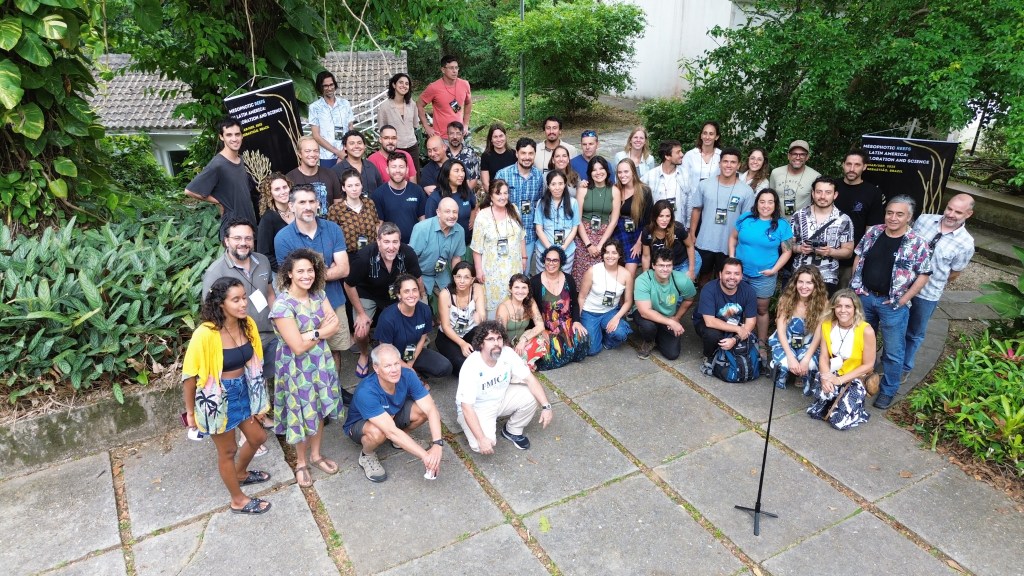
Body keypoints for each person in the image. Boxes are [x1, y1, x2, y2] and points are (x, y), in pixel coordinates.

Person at [182, 277, 271, 514]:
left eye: (244, 298)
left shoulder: (247, 324)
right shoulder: (205, 333)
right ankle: (237, 500)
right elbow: (189, 376)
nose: (244, 304)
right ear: (221, 303)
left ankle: (240, 473)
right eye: (236, 300)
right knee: (228, 451)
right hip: (217, 398)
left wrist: (258, 400)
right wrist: (190, 412)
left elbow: (256, 364)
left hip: (245, 390)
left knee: (257, 438)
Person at [203, 217, 277, 454]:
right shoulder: (216, 271)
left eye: (248, 238)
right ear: (226, 241)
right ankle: (246, 437)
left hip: (266, 332)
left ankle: (260, 417)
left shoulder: (263, 261)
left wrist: (278, 318)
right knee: (241, 386)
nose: (243, 243)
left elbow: (269, 292)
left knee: (260, 379)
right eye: (237, 238)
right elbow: (211, 311)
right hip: (238, 340)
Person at [851, 195, 932, 410]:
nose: (893, 218)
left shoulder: (917, 243)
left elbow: (924, 275)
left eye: (899, 214)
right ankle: (856, 383)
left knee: (893, 352)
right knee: (858, 345)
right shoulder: (874, 232)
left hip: (893, 305)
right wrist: (856, 286)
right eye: (890, 213)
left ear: (909, 217)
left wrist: (904, 299)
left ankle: (888, 391)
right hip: (865, 298)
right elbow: (859, 256)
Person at [270, 249, 342, 487]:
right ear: (289, 274)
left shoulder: (319, 294)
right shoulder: (282, 305)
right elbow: (298, 347)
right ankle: (301, 462)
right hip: (295, 368)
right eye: (300, 271)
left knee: (319, 408)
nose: (306, 275)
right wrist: (320, 330)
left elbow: (336, 324)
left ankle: (316, 454)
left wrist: (309, 334)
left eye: (310, 270)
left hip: (320, 363)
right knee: (300, 412)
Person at [273, 185, 351, 384]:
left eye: (311, 202)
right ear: (291, 206)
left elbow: (343, 269)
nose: (308, 207)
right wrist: (325, 269)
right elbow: (292, 278)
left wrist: (307, 275)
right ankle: (313, 394)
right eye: (302, 202)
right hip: (301, 308)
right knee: (307, 353)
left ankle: (334, 390)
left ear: (318, 204)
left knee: (335, 350)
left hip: (333, 300)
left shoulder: (332, 229)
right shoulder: (283, 238)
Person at [343, 344, 445, 483]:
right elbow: (390, 431)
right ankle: (367, 455)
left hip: (392, 415)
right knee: (378, 432)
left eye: (397, 363)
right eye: (388, 366)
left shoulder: (407, 374)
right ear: (376, 368)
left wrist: (437, 444)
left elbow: (431, 409)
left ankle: (401, 440)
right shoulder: (366, 391)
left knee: (422, 411)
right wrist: (425, 456)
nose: (394, 370)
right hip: (361, 425)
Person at [903, 194, 975, 381]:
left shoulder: (966, 243)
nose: (951, 214)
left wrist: (930, 279)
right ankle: (889, 359)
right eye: (949, 208)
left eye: (958, 212)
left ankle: (904, 366)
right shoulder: (925, 219)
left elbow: (954, 273)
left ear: (968, 214)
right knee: (895, 325)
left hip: (928, 293)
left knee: (915, 332)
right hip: (902, 285)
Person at [457, 321, 554, 453]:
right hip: (478, 407)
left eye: (499, 338)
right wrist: (481, 438)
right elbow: (466, 406)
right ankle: (467, 424)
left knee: (532, 395)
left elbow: (530, 379)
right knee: (482, 445)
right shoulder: (472, 365)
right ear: (481, 343)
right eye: (490, 339)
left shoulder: (507, 353)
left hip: (500, 398)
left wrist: (546, 406)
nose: (496, 343)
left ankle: (512, 430)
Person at [344, 222, 423, 379]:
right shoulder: (364, 257)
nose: (391, 247)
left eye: (395, 242)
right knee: (361, 331)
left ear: (400, 241)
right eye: (386, 242)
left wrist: (418, 303)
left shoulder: (408, 253)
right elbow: (348, 285)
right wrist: (360, 313)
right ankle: (365, 354)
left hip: (395, 293)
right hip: (368, 293)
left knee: (419, 317)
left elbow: (418, 280)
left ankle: (407, 354)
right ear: (378, 241)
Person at [728, 188, 794, 359]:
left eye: (770, 202)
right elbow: (733, 238)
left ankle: (762, 344)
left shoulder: (782, 225)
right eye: (762, 201)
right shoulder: (746, 218)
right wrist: (732, 258)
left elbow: (787, 251)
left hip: (764, 276)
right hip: (739, 274)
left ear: (775, 204)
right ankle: (735, 338)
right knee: (735, 306)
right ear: (757, 203)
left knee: (761, 309)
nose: (766, 205)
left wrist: (774, 270)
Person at [806, 289, 878, 430]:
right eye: (838, 306)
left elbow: (869, 365)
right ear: (833, 307)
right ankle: (831, 400)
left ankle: (855, 409)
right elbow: (824, 356)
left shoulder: (866, 330)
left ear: (855, 308)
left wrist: (839, 380)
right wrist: (825, 377)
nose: (842, 310)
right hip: (834, 371)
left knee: (838, 422)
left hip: (855, 376)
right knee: (815, 413)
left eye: (848, 306)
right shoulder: (826, 325)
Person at [688, 147, 755, 281]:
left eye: (733, 162)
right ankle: (704, 301)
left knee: (724, 279)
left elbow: (747, 220)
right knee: (703, 277)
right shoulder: (705, 185)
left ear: (739, 165)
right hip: (705, 241)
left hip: (729, 244)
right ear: (719, 163)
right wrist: (692, 234)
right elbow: (696, 209)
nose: (728, 165)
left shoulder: (746, 191)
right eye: (725, 161)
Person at [184, 117, 256, 237]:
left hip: (248, 224)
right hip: (233, 230)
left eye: (237, 134)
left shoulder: (241, 160)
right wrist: (219, 201)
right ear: (221, 137)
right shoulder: (218, 164)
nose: (234, 139)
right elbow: (189, 191)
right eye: (229, 135)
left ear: (242, 136)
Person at [375, 274, 453, 378]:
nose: (411, 295)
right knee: (395, 380)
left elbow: (422, 338)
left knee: (445, 367)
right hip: (391, 356)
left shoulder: (425, 310)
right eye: (406, 291)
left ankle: (415, 373)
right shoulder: (387, 318)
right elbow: (386, 350)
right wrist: (407, 368)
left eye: (414, 290)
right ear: (399, 295)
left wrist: (410, 363)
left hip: (412, 352)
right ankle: (412, 377)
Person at [788, 177, 855, 295]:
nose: (823, 196)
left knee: (822, 312)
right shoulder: (798, 216)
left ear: (835, 195)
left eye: (828, 192)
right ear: (813, 193)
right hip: (799, 276)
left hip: (827, 277)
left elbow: (848, 252)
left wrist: (830, 252)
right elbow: (787, 245)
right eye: (819, 192)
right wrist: (799, 248)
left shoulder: (843, 219)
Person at [472, 179, 527, 317]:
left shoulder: (514, 209)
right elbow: (476, 247)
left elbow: (521, 236)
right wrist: (478, 270)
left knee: (514, 300)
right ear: (491, 195)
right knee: (493, 307)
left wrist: (524, 257)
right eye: (498, 193)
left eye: (505, 193)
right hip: (492, 271)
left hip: (514, 266)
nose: (503, 197)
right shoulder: (482, 216)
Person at [768, 265, 827, 393]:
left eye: (809, 282)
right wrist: (790, 357)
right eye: (800, 281)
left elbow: (819, 334)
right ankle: (783, 373)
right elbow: (781, 330)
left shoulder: (823, 303)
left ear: (816, 285)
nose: (804, 286)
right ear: (795, 283)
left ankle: (803, 374)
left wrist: (805, 359)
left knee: (809, 364)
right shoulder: (786, 299)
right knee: (784, 364)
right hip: (786, 340)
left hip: (808, 342)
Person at [693, 258, 758, 374]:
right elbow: (709, 321)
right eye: (728, 273)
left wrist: (735, 339)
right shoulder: (709, 289)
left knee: (750, 334)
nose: (732, 277)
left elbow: (751, 322)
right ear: (720, 274)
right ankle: (709, 355)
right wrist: (738, 329)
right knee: (712, 334)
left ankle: (728, 348)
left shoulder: (749, 291)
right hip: (708, 324)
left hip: (733, 324)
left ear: (741, 276)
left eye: (736, 274)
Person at [530, 246, 589, 370]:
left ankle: (566, 352)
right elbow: (531, 310)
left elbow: (575, 304)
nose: (551, 263)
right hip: (546, 328)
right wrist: (539, 330)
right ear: (544, 260)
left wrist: (577, 321)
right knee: (547, 359)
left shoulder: (569, 279)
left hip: (566, 325)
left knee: (583, 339)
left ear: (561, 262)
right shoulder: (535, 282)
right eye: (548, 259)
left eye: (555, 260)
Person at [633, 248, 697, 360]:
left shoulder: (681, 279)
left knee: (672, 354)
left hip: (667, 316)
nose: (665, 269)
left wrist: (677, 318)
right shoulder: (643, 280)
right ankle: (649, 340)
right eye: (661, 265)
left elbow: (689, 299)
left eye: (669, 265)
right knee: (648, 327)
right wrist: (670, 323)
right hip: (646, 316)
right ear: (653, 266)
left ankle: (658, 335)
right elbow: (645, 312)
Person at [834, 149, 885, 287]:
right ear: (843, 165)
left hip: (850, 260)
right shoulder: (831, 187)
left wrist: (862, 258)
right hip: (825, 256)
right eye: (848, 164)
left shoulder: (872, 192)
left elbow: (872, 230)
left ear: (864, 167)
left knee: (843, 299)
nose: (852, 168)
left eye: (857, 165)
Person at [578, 240, 634, 356]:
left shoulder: (626, 274)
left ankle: (608, 341)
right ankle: (598, 332)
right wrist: (578, 319)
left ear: (620, 255)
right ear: (602, 255)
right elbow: (582, 296)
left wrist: (616, 318)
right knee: (592, 350)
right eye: (607, 252)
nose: (610, 256)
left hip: (610, 312)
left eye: (614, 253)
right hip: (590, 312)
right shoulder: (592, 271)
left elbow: (628, 301)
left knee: (621, 332)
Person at [495, 138, 544, 269]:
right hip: (506, 234)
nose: (527, 157)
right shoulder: (503, 174)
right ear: (517, 154)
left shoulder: (539, 177)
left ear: (535, 154)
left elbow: (538, 201)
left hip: (528, 235)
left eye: (530, 153)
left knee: (524, 274)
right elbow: (493, 203)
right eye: (523, 153)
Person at [572, 156, 620, 285]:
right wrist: (588, 245)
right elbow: (578, 219)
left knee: (599, 278)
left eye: (601, 168)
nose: (598, 172)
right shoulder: (583, 190)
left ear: (607, 170)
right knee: (580, 276)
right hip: (584, 237)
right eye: (594, 170)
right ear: (590, 173)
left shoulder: (614, 190)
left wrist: (600, 246)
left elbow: (613, 221)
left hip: (603, 237)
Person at [436, 261, 487, 375]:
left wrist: (480, 316)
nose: (462, 281)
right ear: (453, 277)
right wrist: (462, 344)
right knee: (462, 364)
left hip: (470, 331)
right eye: (458, 276)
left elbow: (482, 313)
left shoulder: (477, 288)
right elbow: (446, 326)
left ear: (472, 279)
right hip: (449, 335)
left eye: (466, 277)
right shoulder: (445, 294)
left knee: (487, 351)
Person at [410, 196, 467, 297]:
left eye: (455, 212)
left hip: (441, 274)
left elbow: (456, 258)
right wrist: (418, 282)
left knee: (452, 301)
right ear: (438, 212)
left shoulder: (460, 231)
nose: (452, 215)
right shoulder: (421, 228)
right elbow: (411, 259)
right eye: (447, 211)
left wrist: (456, 282)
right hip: (419, 275)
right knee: (421, 307)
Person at [496, 273, 549, 371]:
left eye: (524, 288)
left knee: (541, 339)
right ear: (510, 289)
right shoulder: (503, 308)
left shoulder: (530, 302)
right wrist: (511, 352)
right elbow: (500, 336)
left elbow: (540, 326)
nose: (520, 291)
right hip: (505, 345)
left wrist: (523, 340)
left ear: (528, 290)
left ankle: (523, 364)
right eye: (516, 287)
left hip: (521, 343)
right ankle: (521, 365)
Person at [370, 152, 426, 243]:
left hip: (414, 245)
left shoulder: (417, 191)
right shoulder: (378, 194)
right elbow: (378, 226)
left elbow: (423, 221)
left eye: (401, 167)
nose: (397, 170)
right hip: (390, 247)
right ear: (387, 170)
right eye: (393, 167)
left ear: (407, 170)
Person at [533, 169, 580, 274]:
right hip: (544, 250)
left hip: (566, 250)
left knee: (563, 282)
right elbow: (539, 229)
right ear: (548, 186)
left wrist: (562, 248)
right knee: (543, 281)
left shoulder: (573, 203)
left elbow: (574, 228)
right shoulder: (542, 203)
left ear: (565, 185)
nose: (557, 187)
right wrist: (550, 249)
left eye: (560, 184)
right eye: (553, 184)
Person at [613, 158, 654, 276]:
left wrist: (639, 243)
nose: (622, 175)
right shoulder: (615, 189)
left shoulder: (644, 191)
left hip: (636, 235)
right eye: (619, 172)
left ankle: (629, 295)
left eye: (626, 172)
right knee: (616, 274)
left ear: (633, 172)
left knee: (628, 274)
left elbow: (648, 221)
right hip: (617, 233)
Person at [418, 55, 472, 140]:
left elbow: (468, 103)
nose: (454, 71)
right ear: (443, 70)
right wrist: (426, 126)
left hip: (458, 135)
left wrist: (466, 124)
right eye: (451, 68)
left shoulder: (464, 84)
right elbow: (419, 104)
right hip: (441, 137)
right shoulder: (434, 87)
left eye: (456, 68)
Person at [327, 168, 379, 256]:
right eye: (349, 186)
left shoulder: (369, 203)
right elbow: (331, 237)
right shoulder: (336, 209)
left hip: (371, 254)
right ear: (343, 188)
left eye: (357, 185)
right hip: (348, 256)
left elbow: (377, 224)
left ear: (362, 185)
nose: (354, 189)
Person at [308, 71, 354, 169]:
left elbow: (351, 129)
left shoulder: (345, 104)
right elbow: (316, 135)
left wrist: (345, 151)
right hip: (326, 156)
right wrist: (337, 152)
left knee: (348, 182)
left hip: (346, 154)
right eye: (325, 86)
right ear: (320, 87)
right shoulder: (314, 107)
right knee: (329, 183)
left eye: (331, 85)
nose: (329, 88)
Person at [376, 72, 421, 173]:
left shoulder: (412, 104)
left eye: (406, 83)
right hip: (395, 148)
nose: (404, 86)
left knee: (415, 176)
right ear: (394, 85)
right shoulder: (384, 107)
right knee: (398, 175)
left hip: (412, 146)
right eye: (401, 82)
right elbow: (382, 130)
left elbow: (415, 125)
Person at [641, 199, 698, 278]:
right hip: (663, 266)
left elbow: (690, 246)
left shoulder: (678, 228)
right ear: (654, 216)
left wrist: (691, 270)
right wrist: (646, 277)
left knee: (681, 286)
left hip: (683, 263)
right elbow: (646, 256)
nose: (664, 220)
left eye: (668, 216)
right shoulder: (647, 231)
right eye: (661, 216)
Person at [287, 135, 342, 216]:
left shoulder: (330, 174)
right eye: (308, 151)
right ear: (299, 154)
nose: (312, 154)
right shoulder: (290, 178)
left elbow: (338, 205)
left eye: (316, 151)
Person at [424, 158, 477, 240]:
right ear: (447, 174)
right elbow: (429, 225)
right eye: (456, 171)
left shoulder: (466, 191)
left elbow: (474, 205)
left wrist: (472, 218)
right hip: (444, 245)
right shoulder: (435, 197)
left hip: (467, 242)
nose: (461, 174)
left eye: (462, 170)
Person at [643, 139, 689, 227]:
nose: (682, 154)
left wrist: (689, 226)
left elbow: (690, 202)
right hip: (657, 229)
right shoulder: (650, 176)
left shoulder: (685, 175)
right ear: (667, 156)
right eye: (678, 152)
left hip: (678, 227)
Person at [256, 172, 294, 274]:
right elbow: (264, 253)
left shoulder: (298, 211)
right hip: (281, 273)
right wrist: (288, 271)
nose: (283, 192)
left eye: (284, 187)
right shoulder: (268, 219)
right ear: (270, 193)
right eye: (277, 189)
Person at [769, 140, 821, 215]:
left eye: (802, 154)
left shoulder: (815, 176)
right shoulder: (775, 173)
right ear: (788, 156)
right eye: (794, 154)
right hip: (778, 221)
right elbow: (770, 197)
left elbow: (818, 203)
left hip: (802, 222)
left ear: (807, 157)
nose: (798, 157)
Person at [330, 130, 384, 195]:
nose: (356, 146)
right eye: (352, 143)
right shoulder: (336, 170)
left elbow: (380, 190)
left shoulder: (371, 167)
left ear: (364, 146)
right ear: (345, 147)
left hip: (372, 205)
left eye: (359, 143)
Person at [681, 121, 721, 202]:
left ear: (716, 137)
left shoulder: (721, 156)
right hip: (692, 201)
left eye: (711, 134)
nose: (707, 137)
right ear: (701, 135)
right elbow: (683, 181)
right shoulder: (690, 155)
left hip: (713, 201)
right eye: (705, 133)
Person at [480, 123, 516, 193]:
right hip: (494, 194)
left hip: (511, 193)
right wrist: (495, 197)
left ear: (505, 136)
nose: (499, 139)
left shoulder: (514, 154)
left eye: (501, 136)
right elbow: (485, 183)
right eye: (495, 137)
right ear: (491, 139)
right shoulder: (486, 156)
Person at [446, 121, 480, 191]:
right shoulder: (443, 153)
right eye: (451, 134)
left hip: (466, 195)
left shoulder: (470, 153)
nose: (455, 137)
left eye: (458, 134)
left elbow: (474, 179)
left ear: (462, 135)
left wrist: (463, 195)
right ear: (447, 135)